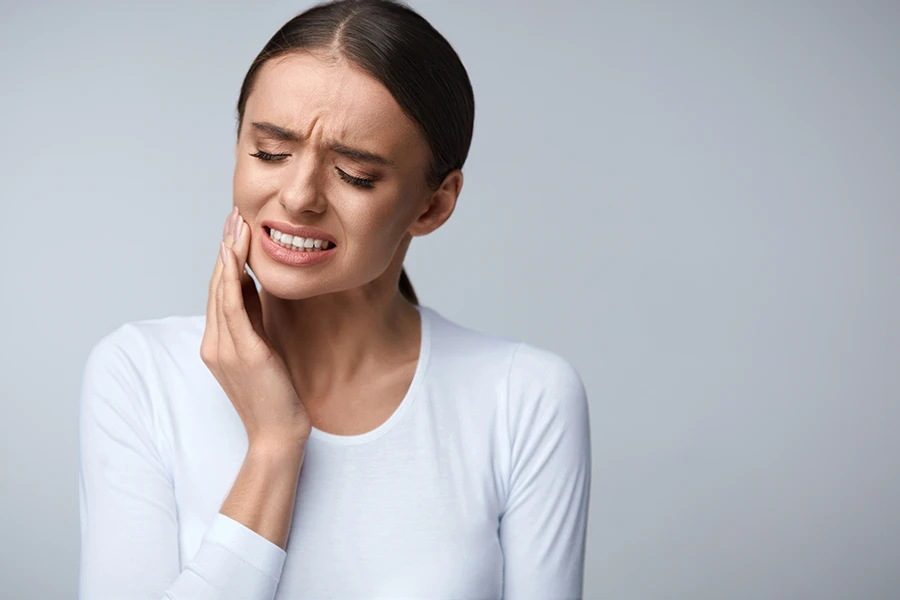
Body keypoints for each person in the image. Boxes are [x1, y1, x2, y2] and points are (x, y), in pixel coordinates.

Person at [77, 0, 592, 598]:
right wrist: (273, 448)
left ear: (433, 205)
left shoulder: (523, 399)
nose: (297, 196)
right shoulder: (138, 374)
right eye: (270, 152)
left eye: (355, 174)